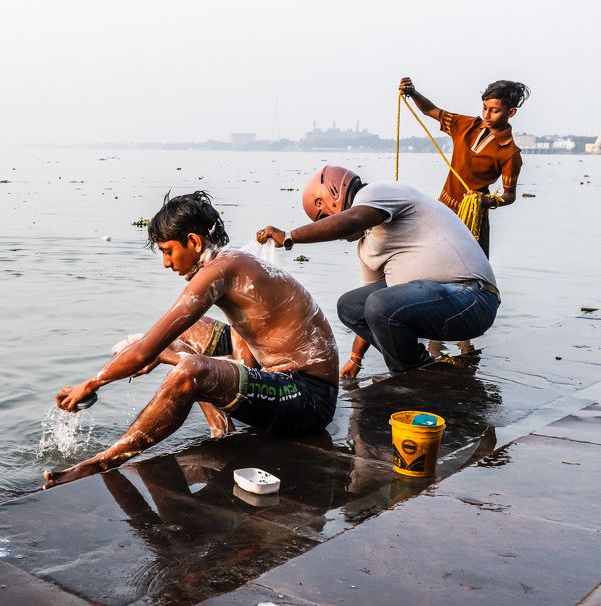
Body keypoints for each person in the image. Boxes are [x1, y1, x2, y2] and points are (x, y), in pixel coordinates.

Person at [44, 191, 339, 488]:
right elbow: (231, 356)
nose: (166, 263)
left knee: (191, 372)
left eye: (168, 251)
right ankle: (221, 431)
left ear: (194, 242)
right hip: (284, 383)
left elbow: (146, 349)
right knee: (185, 335)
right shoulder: (231, 263)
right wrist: (162, 354)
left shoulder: (220, 270)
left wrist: (92, 383)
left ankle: (105, 460)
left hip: (308, 400)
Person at [257, 165, 501, 380]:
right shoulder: (367, 247)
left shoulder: (377, 192)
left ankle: (409, 377)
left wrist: (291, 237)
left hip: (473, 299)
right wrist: (355, 358)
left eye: (325, 217)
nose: (335, 229)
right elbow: (369, 313)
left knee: (378, 303)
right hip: (438, 307)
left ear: (333, 196)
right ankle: (419, 369)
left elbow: (353, 219)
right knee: (349, 305)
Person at [398, 77, 529, 258]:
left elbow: (509, 195)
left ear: (511, 112)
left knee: (471, 269)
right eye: (485, 108)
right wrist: (412, 92)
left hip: (473, 219)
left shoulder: (510, 153)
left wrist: (488, 201)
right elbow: (431, 110)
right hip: (442, 209)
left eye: (495, 111)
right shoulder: (466, 125)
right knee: (428, 258)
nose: (487, 115)